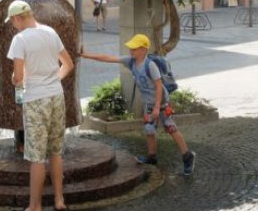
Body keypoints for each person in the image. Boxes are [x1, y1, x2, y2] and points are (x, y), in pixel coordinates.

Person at [80, 34, 196, 175]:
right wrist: (87, 56)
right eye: (131, 48)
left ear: (143, 49)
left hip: (162, 103)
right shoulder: (131, 62)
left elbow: (159, 87)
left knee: (170, 128)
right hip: (148, 104)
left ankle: (188, 156)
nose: (131, 50)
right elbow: (109, 58)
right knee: (149, 130)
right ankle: (152, 157)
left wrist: (157, 107)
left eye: (134, 48)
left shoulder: (150, 65)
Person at [6, 0, 75, 211]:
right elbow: (68, 64)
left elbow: (18, 78)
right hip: (56, 96)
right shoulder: (50, 32)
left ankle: (34, 208)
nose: (13, 26)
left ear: (18, 18)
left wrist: (16, 79)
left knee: (37, 157)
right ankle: (59, 201)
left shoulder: (20, 40)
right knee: (55, 152)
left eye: (13, 21)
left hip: (36, 99)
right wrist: (54, 80)